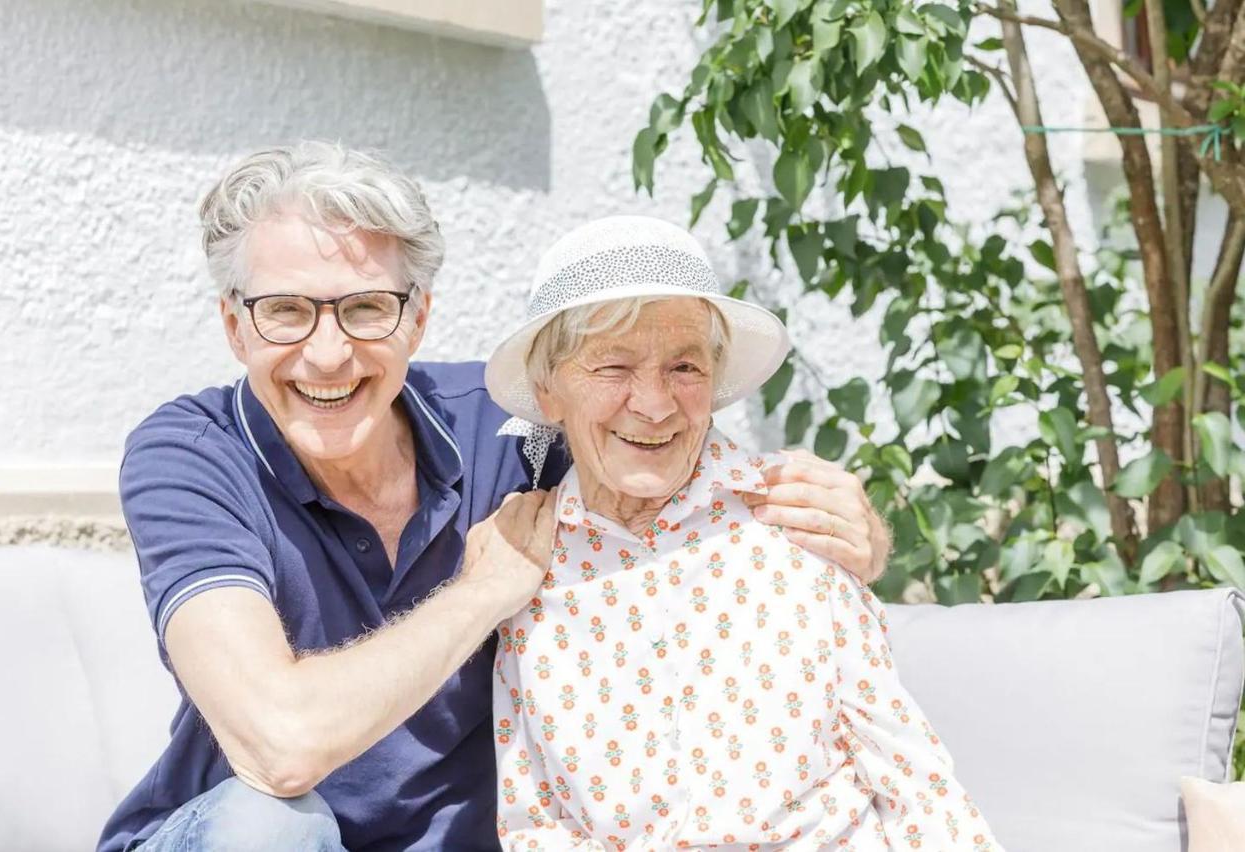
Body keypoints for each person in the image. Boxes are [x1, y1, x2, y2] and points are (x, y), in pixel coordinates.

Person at [98, 143, 892, 852]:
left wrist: (849, 529)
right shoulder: (193, 455)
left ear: (418, 320)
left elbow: (667, 462)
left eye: (367, 306)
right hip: (246, 839)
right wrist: (481, 592)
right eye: (285, 312)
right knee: (272, 826)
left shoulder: (515, 430)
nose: (329, 353)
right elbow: (280, 745)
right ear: (236, 328)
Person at [488, 216, 1001, 850]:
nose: (654, 403)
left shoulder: (793, 515)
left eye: (684, 367)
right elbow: (534, 824)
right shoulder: (523, 557)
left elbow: (909, 775)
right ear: (549, 391)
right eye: (614, 366)